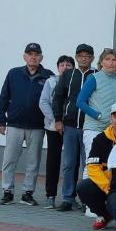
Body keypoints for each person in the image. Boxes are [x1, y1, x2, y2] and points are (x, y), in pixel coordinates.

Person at [0, 43, 54, 205]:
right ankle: (7, 191)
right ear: (24, 56)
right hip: (14, 124)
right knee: (9, 159)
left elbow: (52, 100)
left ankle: (27, 193)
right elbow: (4, 97)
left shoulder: (48, 76)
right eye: (30, 54)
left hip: (37, 126)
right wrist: (1, 120)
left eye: (36, 54)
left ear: (41, 57)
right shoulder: (13, 74)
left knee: (33, 161)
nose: (33, 57)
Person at [52, 43, 96, 211]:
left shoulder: (97, 76)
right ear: (76, 57)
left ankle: (87, 199)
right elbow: (58, 98)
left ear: (92, 58)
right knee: (69, 164)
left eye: (87, 55)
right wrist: (58, 119)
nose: (83, 58)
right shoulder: (68, 74)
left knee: (88, 164)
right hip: (69, 126)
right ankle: (68, 198)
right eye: (80, 55)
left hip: (89, 126)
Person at [76, 102, 116, 230]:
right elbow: (93, 168)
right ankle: (104, 215)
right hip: (107, 185)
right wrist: (108, 188)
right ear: (111, 119)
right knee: (84, 187)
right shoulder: (100, 139)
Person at [76, 48, 116, 170]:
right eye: (107, 59)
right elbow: (80, 102)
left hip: (113, 131)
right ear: (101, 62)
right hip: (94, 128)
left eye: (114, 60)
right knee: (92, 165)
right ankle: (85, 189)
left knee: (109, 165)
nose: (111, 62)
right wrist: (97, 115)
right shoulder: (94, 78)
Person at [39, 55, 75, 208]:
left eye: (68, 65)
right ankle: (50, 195)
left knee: (71, 162)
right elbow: (43, 102)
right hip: (54, 127)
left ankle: (70, 196)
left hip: (72, 127)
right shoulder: (51, 81)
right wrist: (55, 120)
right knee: (53, 160)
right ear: (57, 67)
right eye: (62, 65)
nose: (65, 67)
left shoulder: (76, 81)